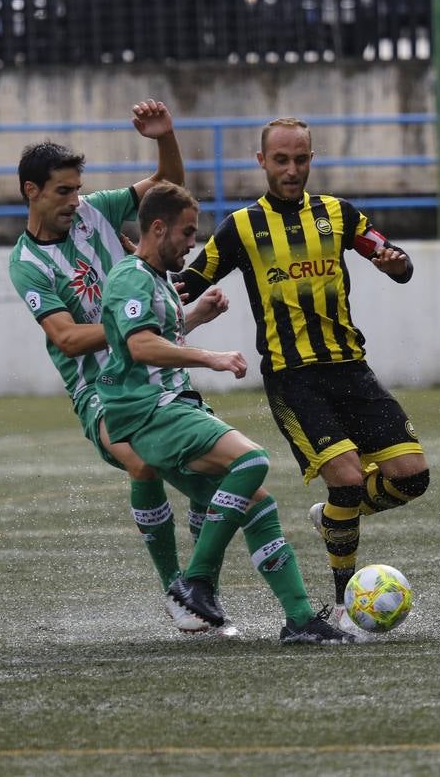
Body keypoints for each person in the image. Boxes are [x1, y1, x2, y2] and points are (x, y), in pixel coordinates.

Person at [176, 117, 429, 631]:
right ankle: (342, 607)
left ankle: (334, 517)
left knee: (413, 477)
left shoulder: (339, 214)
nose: (292, 170)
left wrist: (393, 263)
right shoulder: (242, 227)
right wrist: (140, 274)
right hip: (294, 378)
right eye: (282, 160)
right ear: (262, 162)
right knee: (348, 478)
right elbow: (188, 281)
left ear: (312, 159)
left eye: (301, 159)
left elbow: (393, 259)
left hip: (351, 368)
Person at [7, 99, 234, 635]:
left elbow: (167, 194)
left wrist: (165, 138)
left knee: (210, 476)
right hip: (99, 392)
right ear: (31, 192)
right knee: (143, 464)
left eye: (76, 189)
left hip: (156, 377)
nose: (74, 201)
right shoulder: (27, 264)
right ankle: (175, 588)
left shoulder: (96, 212)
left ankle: (202, 588)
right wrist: (141, 326)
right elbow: (65, 337)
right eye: (62, 191)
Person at [99, 182, 354, 644]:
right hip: (149, 414)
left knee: (260, 506)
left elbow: (150, 336)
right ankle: (196, 581)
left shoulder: (154, 280)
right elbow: (139, 345)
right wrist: (211, 357)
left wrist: (193, 317)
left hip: (170, 409)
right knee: (252, 460)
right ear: (158, 228)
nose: (192, 243)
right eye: (187, 232)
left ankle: (299, 621)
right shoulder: (130, 276)